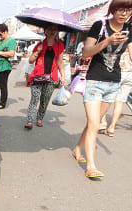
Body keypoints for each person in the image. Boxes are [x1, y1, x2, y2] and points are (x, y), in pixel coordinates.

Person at [72, 0, 132, 178]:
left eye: (128, 10)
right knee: (94, 124)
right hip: (95, 81)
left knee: (95, 122)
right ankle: (91, 165)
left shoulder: (129, 30)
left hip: (113, 83)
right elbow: (86, 52)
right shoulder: (100, 25)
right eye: (120, 9)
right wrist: (107, 41)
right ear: (113, 10)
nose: (124, 13)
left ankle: (77, 149)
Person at [24, 24, 66, 129]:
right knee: (35, 98)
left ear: (57, 32)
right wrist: (38, 51)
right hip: (37, 76)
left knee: (44, 100)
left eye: (55, 29)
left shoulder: (59, 45)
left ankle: (39, 119)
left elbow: (60, 62)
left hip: (51, 78)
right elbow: (30, 61)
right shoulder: (39, 44)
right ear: (45, 31)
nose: (52, 31)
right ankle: (29, 120)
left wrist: (63, 76)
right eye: (50, 29)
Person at [101, 47, 132, 136]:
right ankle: (112, 127)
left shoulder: (121, 45)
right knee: (120, 102)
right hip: (130, 75)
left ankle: (103, 122)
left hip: (119, 72)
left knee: (106, 97)